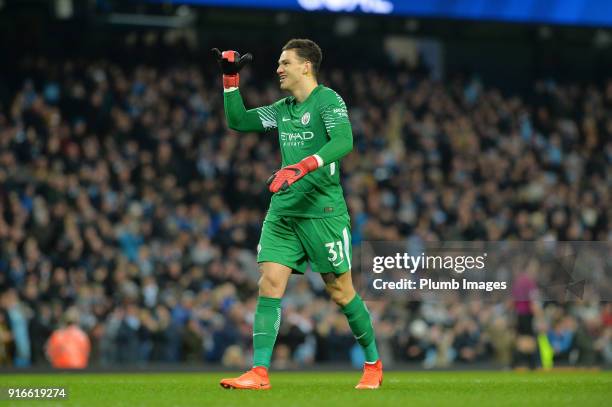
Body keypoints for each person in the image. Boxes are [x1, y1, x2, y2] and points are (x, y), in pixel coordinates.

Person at [212, 38, 382, 390]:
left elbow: (343, 141)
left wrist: (302, 167)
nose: (278, 69)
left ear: (306, 66)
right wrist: (230, 80)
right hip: (285, 211)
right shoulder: (283, 108)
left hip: (324, 212)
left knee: (341, 292)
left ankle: (373, 364)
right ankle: (259, 372)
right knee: (269, 284)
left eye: (285, 63)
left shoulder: (328, 100)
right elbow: (239, 121)